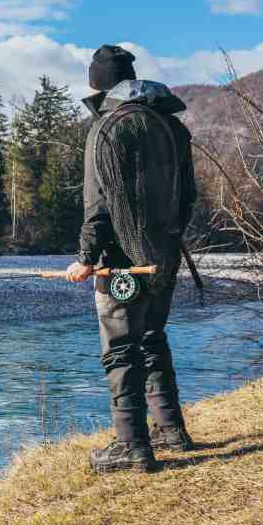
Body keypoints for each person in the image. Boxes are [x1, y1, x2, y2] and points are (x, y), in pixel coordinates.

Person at [65, 45, 198, 473]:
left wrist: (86, 257)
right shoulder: (171, 126)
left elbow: (98, 202)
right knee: (153, 336)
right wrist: (167, 241)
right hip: (166, 254)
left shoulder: (106, 127)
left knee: (120, 348)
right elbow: (188, 198)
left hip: (120, 262)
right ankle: (172, 431)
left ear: (99, 80)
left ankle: (132, 446)